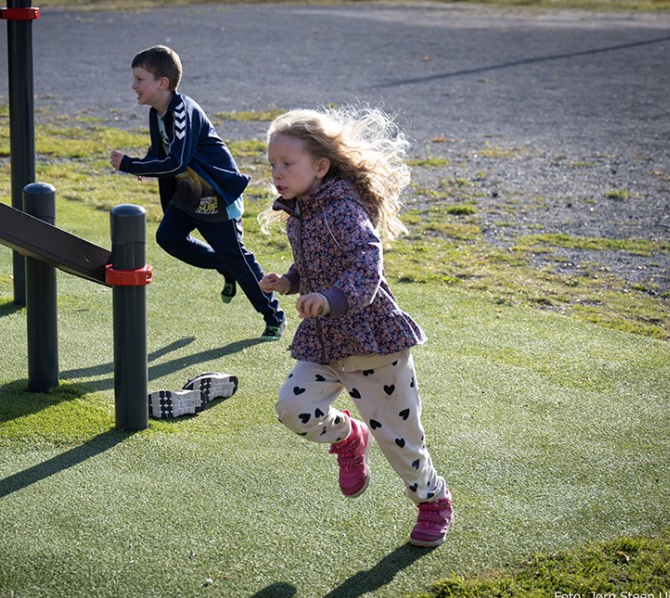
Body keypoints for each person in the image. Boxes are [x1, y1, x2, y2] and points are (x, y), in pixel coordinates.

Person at [258, 107, 453, 547]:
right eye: (273, 165)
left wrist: (329, 299)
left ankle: (432, 500)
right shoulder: (301, 213)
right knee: (293, 407)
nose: (277, 173)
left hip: (372, 342)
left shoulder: (344, 209)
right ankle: (349, 437)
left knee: (400, 441)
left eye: (287, 164)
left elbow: (367, 265)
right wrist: (289, 281)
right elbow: (315, 263)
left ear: (320, 166)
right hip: (325, 343)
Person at [109, 45, 285, 341]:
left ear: (162, 83)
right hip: (188, 191)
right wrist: (145, 163)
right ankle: (221, 264)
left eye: (140, 79)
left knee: (238, 259)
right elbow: (162, 149)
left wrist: (130, 164)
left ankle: (273, 317)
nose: (133, 86)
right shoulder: (157, 111)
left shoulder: (182, 111)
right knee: (168, 237)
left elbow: (178, 159)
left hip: (215, 193)